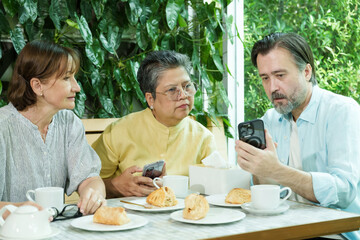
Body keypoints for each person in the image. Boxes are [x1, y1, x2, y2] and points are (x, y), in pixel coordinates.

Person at [236, 32, 360, 239]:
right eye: (265, 78)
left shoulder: (342, 111)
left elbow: (344, 191)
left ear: (307, 72)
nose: (272, 87)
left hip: (333, 232)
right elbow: (267, 190)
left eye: (280, 75)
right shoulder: (270, 120)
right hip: (283, 226)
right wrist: (256, 167)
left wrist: (277, 170)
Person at [0, 40, 106, 217]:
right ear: (37, 86)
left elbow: (90, 178)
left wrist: (93, 194)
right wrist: (21, 211)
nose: (77, 87)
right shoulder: (3, 128)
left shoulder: (69, 123)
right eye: (66, 78)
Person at [92, 50, 217, 198]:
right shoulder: (119, 132)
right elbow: (87, 183)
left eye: (187, 86)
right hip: (129, 217)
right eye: (172, 90)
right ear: (150, 99)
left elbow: (214, 190)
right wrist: (115, 186)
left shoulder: (203, 138)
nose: (183, 95)